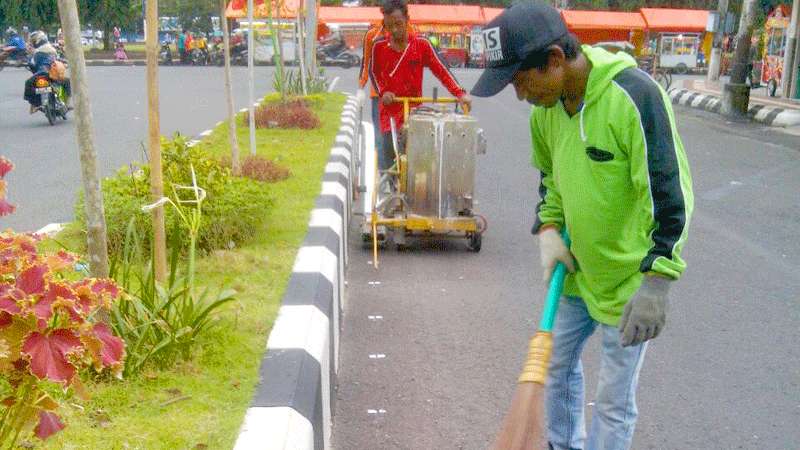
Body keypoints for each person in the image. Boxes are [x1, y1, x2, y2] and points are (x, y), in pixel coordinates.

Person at [470, 3, 693, 450]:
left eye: (520, 80)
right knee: (555, 369)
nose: (520, 95)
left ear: (554, 59)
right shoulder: (546, 112)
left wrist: (658, 280)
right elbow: (551, 178)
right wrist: (549, 227)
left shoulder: (634, 96)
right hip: (575, 273)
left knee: (613, 402)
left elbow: (669, 194)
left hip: (627, 281)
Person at [368, 0, 471, 171]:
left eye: (398, 24)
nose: (394, 30)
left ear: (407, 20)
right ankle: (391, 185)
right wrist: (383, 92)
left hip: (415, 110)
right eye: (389, 26)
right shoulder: (378, 46)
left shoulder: (421, 45)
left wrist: (460, 94)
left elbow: (441, 70)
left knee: (421, 157)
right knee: (390, 154)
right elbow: (373, 72)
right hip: (390, 111)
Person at [24, 31, 71, 113]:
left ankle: (34, 104)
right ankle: (67, 104)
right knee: (67, 82)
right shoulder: (52, 50)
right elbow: (58, 60)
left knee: (29, 84)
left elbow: (32, 64)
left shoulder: (35, 53)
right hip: (53, 74)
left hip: (40, 75)